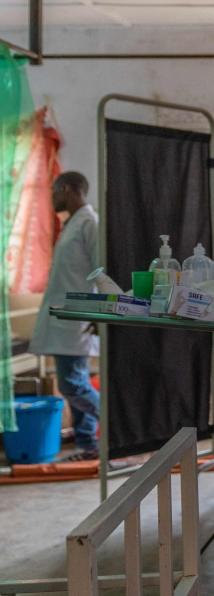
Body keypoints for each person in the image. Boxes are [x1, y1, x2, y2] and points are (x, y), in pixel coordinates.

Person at [29, 172, 100, 462]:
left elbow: (101, 270)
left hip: (77, 318)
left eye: (54, 190)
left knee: (73, 385)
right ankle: (87, 444)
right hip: (65, 318)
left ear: (69, 189)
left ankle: (115, 425)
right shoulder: (71, 224)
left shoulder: (89, 223)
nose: (52, 197)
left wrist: (99, 311)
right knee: (76, 380)